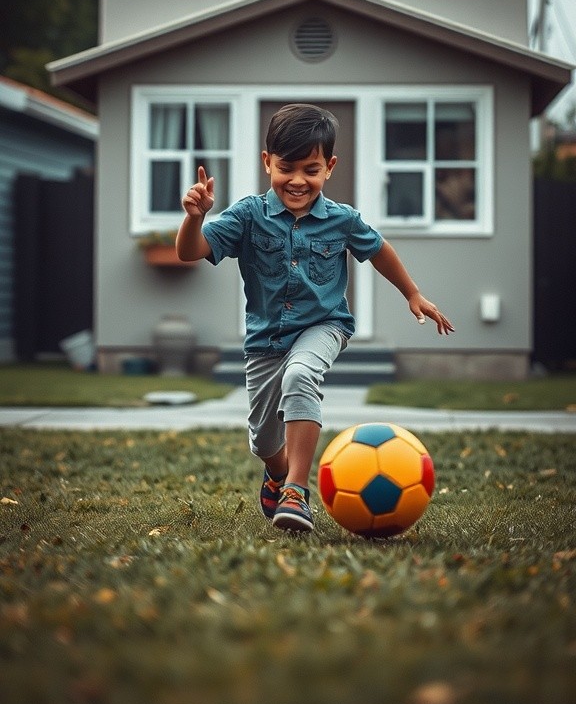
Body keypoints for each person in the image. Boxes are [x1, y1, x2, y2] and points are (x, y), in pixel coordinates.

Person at [176, 103, 454, 533]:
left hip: (324, 326)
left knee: (300, 376)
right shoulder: (248, 216)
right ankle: (277, 473)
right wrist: (194, 219)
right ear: (267, 162)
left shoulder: (342, 220)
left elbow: (379, 250)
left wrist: (412, 293)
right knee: (264, 439)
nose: (299, 180)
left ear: (330, 167)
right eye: (287, 167)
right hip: (266, 340)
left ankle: (296, 491)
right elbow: (189, 252)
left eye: (312, 169)